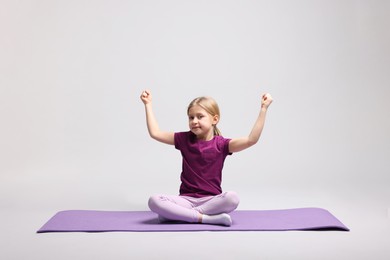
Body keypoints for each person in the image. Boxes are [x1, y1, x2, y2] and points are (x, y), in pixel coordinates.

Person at [140, 90, 273, 226]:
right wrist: (148, 104)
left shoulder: (222, 145)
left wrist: (264, 108)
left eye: (200, 116)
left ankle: (178, 215)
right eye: (191, 117)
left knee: (232, 198)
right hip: (186, 200)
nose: (194, 121)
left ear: (214, 119)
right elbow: (155, 133)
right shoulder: (183, 139)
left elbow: (251, 140)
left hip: (211, 201)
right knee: (154, 200)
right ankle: (205, 219)